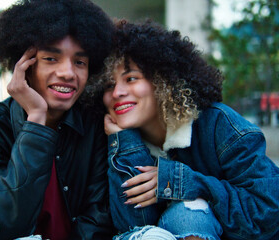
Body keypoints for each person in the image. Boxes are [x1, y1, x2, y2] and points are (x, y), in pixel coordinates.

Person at [92, 19, 279, 240]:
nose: (117, 93)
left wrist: (183, 183)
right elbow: (134, 227)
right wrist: (126, 144)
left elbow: (268, 212)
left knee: (189, 214)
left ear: (163, 81)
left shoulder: (219, 125)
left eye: (131, 78)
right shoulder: (111, 139)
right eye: (108, 85)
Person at [0, 0, 116, 239]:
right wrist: (36, 121)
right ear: (24, 66)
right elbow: (7, 223)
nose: (67, 73)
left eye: (80, 62)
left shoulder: (94, 125)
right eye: (51, 59)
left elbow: (97, 219)